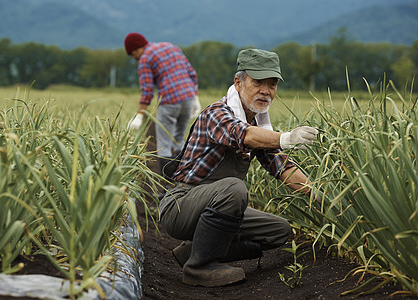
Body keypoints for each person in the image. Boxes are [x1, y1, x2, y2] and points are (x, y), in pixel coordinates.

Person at [158, 49, 320, 287]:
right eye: (257, 82)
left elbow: (281, 166)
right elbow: (242, 135)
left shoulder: (258, 124)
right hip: (180, 206)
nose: (265, 91)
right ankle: (198, 267)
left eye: (272, 84)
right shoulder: (216, 114)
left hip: (215, 202)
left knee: (278, 230)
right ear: (238, 82)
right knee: (234, 189)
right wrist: (286, 138)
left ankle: (193, 253)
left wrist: (321, 196)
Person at [124, 32, 200, 172]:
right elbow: (192, 73)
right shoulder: (171, 47)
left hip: (170, 101)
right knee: (179, 140)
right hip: (188, 98)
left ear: (136, 49)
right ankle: (182, 177)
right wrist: (195, 97)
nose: (134, 57)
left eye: (132, 54)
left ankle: (166, 183)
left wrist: (139, 115)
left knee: (163, 145)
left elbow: (147, 90)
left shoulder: (145, 59)